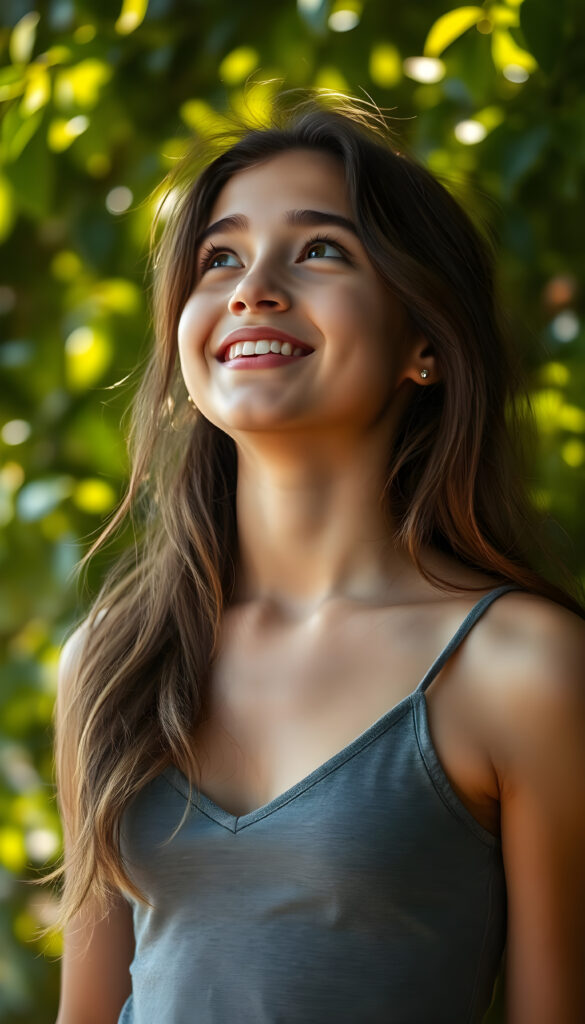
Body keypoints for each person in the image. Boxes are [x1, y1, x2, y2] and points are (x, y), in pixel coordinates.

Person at [54, 95, 585, 1024]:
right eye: (220, 259)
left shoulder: (521, 667)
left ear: (425, 343)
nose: (252, 289)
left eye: (320, 250)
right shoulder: (113, 655)